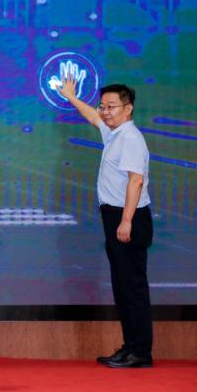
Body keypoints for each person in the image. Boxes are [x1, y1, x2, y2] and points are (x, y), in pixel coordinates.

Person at [59, 78, 154, 368]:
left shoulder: (130, 138)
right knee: (123, 287)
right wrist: (72, 97)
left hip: (129, 217)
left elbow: (136, 181)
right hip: (115, 216)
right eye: (103, 106)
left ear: (128, 108)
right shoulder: (115, 133)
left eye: (111, 107)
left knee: (132, 288)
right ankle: (130, 347)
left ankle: (140, 352)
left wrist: (126, 221)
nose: (105, 111)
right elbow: (92, 117)